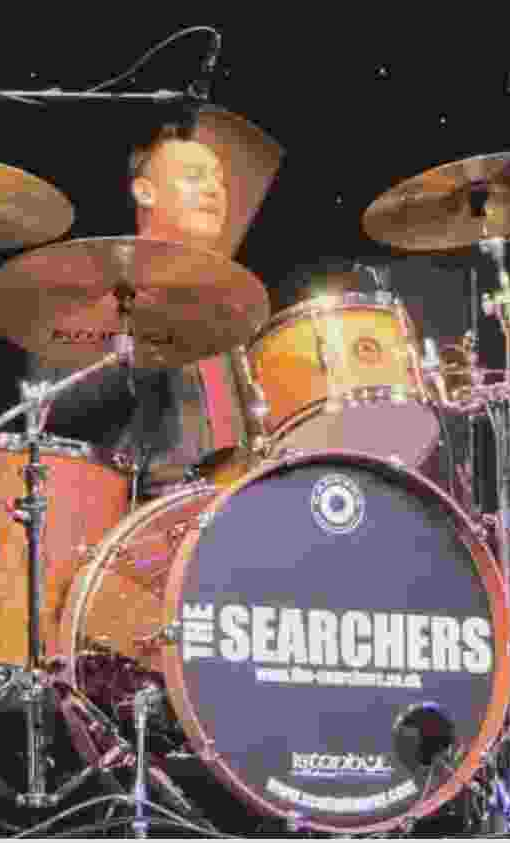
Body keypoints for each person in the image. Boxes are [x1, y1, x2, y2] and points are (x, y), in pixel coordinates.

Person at [32, 122, 245, 493]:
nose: (214, 189)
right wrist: (143, 339)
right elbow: (52, 413)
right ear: (145, 191)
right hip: (142, 502)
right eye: (194, 176)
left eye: (220, 180)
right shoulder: (93, 289)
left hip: (237, 494)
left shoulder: (232, 301)